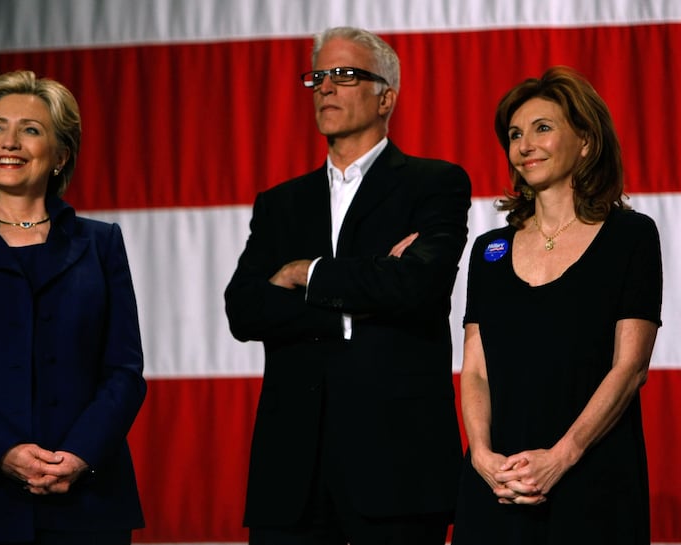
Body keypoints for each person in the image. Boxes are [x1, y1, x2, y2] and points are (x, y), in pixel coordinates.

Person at [224, 26, 471, 545]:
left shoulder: (436, 183)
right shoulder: (280, 203)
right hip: (291, 475)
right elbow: (243, 310)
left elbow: (419, 286)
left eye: (344, 74)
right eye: (318, 77)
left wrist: (302, 274)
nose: (325, 88)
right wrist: (366, 290)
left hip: (397, 470)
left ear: (387, 97)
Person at [0, 70, 146, 545]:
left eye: (30, 129)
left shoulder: (101, 244)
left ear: (61, 155)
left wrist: (79, 455)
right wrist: (3, 451)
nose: (8, 142)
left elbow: (123, 371)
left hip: (84, 501)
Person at [451, 66, 663, 545]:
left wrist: (561, 457)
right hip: (497, 483)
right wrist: (482, 456)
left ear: (586, 141)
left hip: (590, 478)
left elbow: (629, 367)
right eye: (515, 134)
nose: (524, 145)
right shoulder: (489, 249)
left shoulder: (631, 236)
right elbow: (476, 370)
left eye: (543, 128)